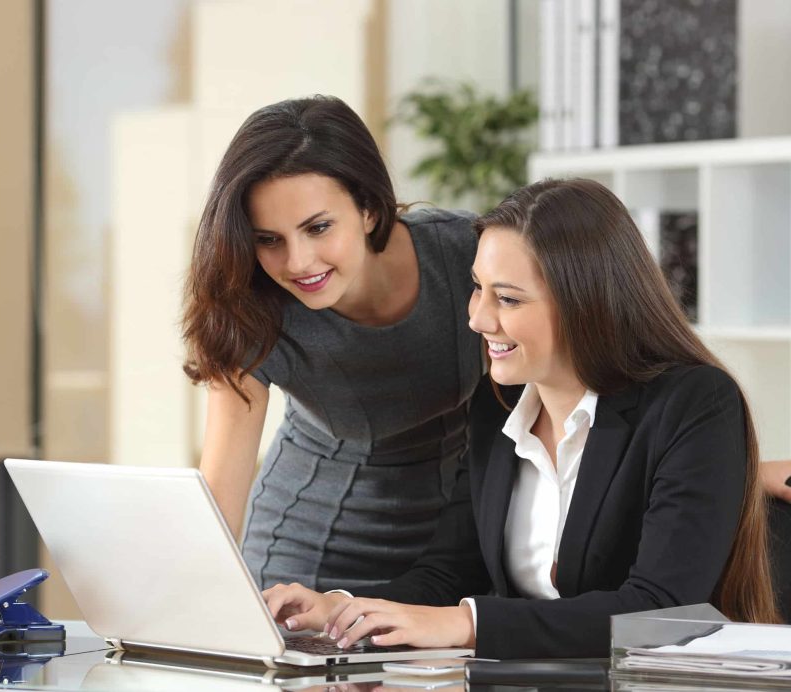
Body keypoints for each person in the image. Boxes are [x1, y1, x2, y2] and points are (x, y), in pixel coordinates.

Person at [262, 178, 780, 659]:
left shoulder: (694, 402)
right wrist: (340, 609)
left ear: (586, 303)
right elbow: (448, 573)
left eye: (507, 298)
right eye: (477, 288)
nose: (477, 318)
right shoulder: (498, 405)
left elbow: (660, 610)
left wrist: (469, 624)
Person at [181, 95, 482, 592]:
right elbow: (218, 500)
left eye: (318, 227)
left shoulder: (466, 254)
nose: (298, 262)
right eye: (268, 239)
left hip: (452, 556)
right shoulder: (252, 309)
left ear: (368, 208)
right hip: (305, 562)